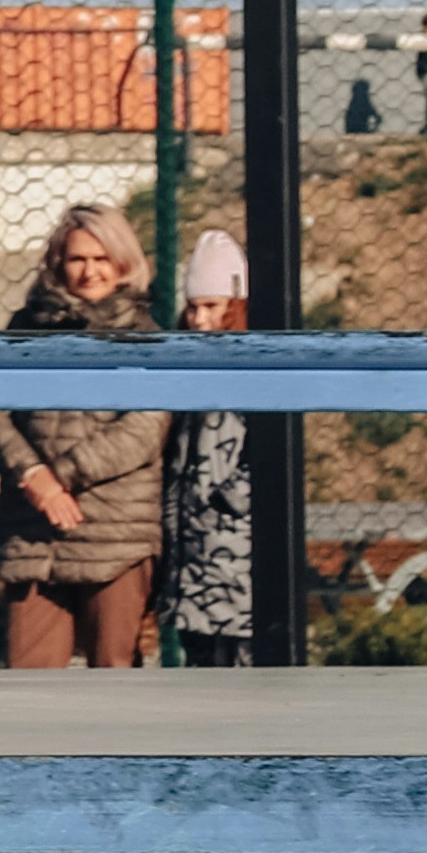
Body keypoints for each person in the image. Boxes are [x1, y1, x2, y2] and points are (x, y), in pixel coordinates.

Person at [0, 201, 169, 668]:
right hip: (33, 533)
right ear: (58, 263)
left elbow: (144, 429)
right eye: (78, 259)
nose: (89, 272)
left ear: (123, 263)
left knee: (114, 675)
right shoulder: (24, 330)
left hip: (114, 535)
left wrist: (60, 476)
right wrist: (32, 476)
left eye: (102, 259)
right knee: (29, 684)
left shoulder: (145, 335)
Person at [165, 228, 256, 666]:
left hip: (236, 565)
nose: (199, 320)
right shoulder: (189, 371)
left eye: (211, 307)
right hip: (194, 563)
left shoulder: (256, 371)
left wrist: (227, 502)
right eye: (193, 308)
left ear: (235, 307)